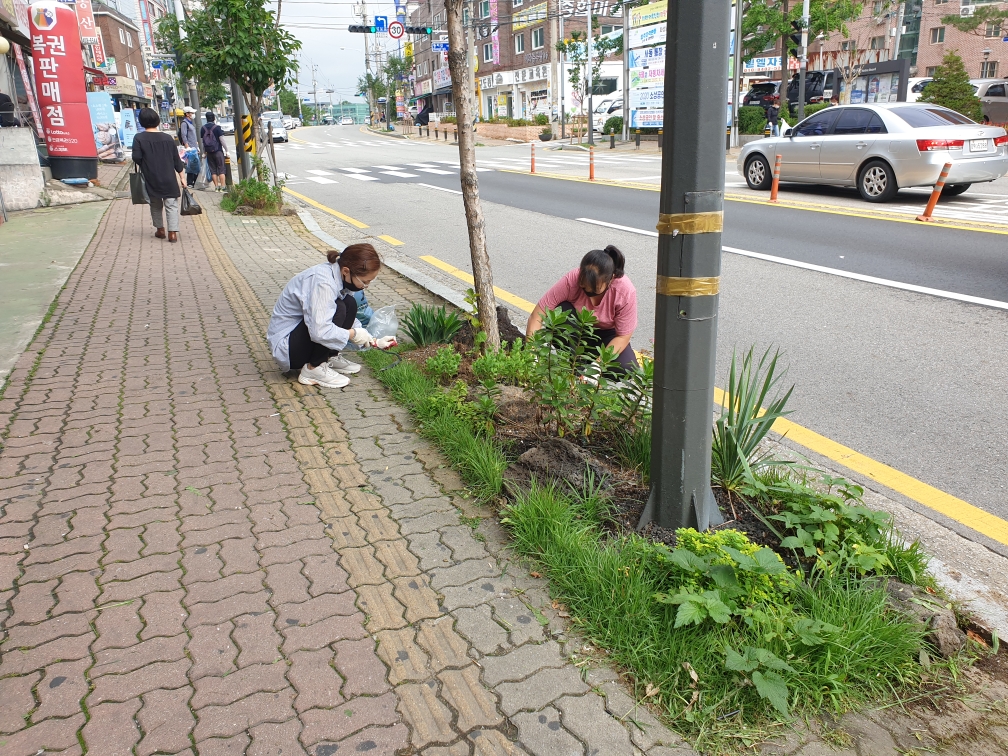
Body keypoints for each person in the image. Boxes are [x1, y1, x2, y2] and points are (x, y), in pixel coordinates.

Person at [267, 243, 392, 389]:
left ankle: (328, 358)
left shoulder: (338, 276)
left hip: (301, 337)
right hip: (288, 349)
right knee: (339, 307)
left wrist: (372, 339)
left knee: (349, 303)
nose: (367, 286)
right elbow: (320, 331)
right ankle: (313, 368)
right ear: (346, 271)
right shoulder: (323, 283)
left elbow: (347, 316)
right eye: (364, 282)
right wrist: (352, 334)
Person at [526, 245, 638, 374]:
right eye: (584, 287)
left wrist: (597, 368)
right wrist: (532, 355)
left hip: (608, 335)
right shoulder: (572, 279)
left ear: (611, 279)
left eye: (595, 290)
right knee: (561, 311)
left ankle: (590, 370)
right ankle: (575, 365)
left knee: (627, 367)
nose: (588, 292)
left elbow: (623, 337)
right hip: (577, 329)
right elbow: (537, 316)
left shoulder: (625, 291)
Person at [131, 107, 186, 243]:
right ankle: (172, 233)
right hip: (168, 177)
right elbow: (176, 160)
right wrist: (182, 177)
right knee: (171, 204)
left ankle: (160, 230)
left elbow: (136, 157)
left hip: (151, 177)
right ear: (157, 120)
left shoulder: (139, 138)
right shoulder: (168, 138)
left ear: (141, 121)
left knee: (155, 204)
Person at [201, 112, 228, 191]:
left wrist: (204, 152)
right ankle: (223, 187)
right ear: (214, 118)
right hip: (218, 151)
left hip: (209, 152)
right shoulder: (217, 128)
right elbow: (222, 140)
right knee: (221, 169)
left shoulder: (203, 128)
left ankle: (216, 187)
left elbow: (203, 142)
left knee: (213, 170)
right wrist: (227, 150)